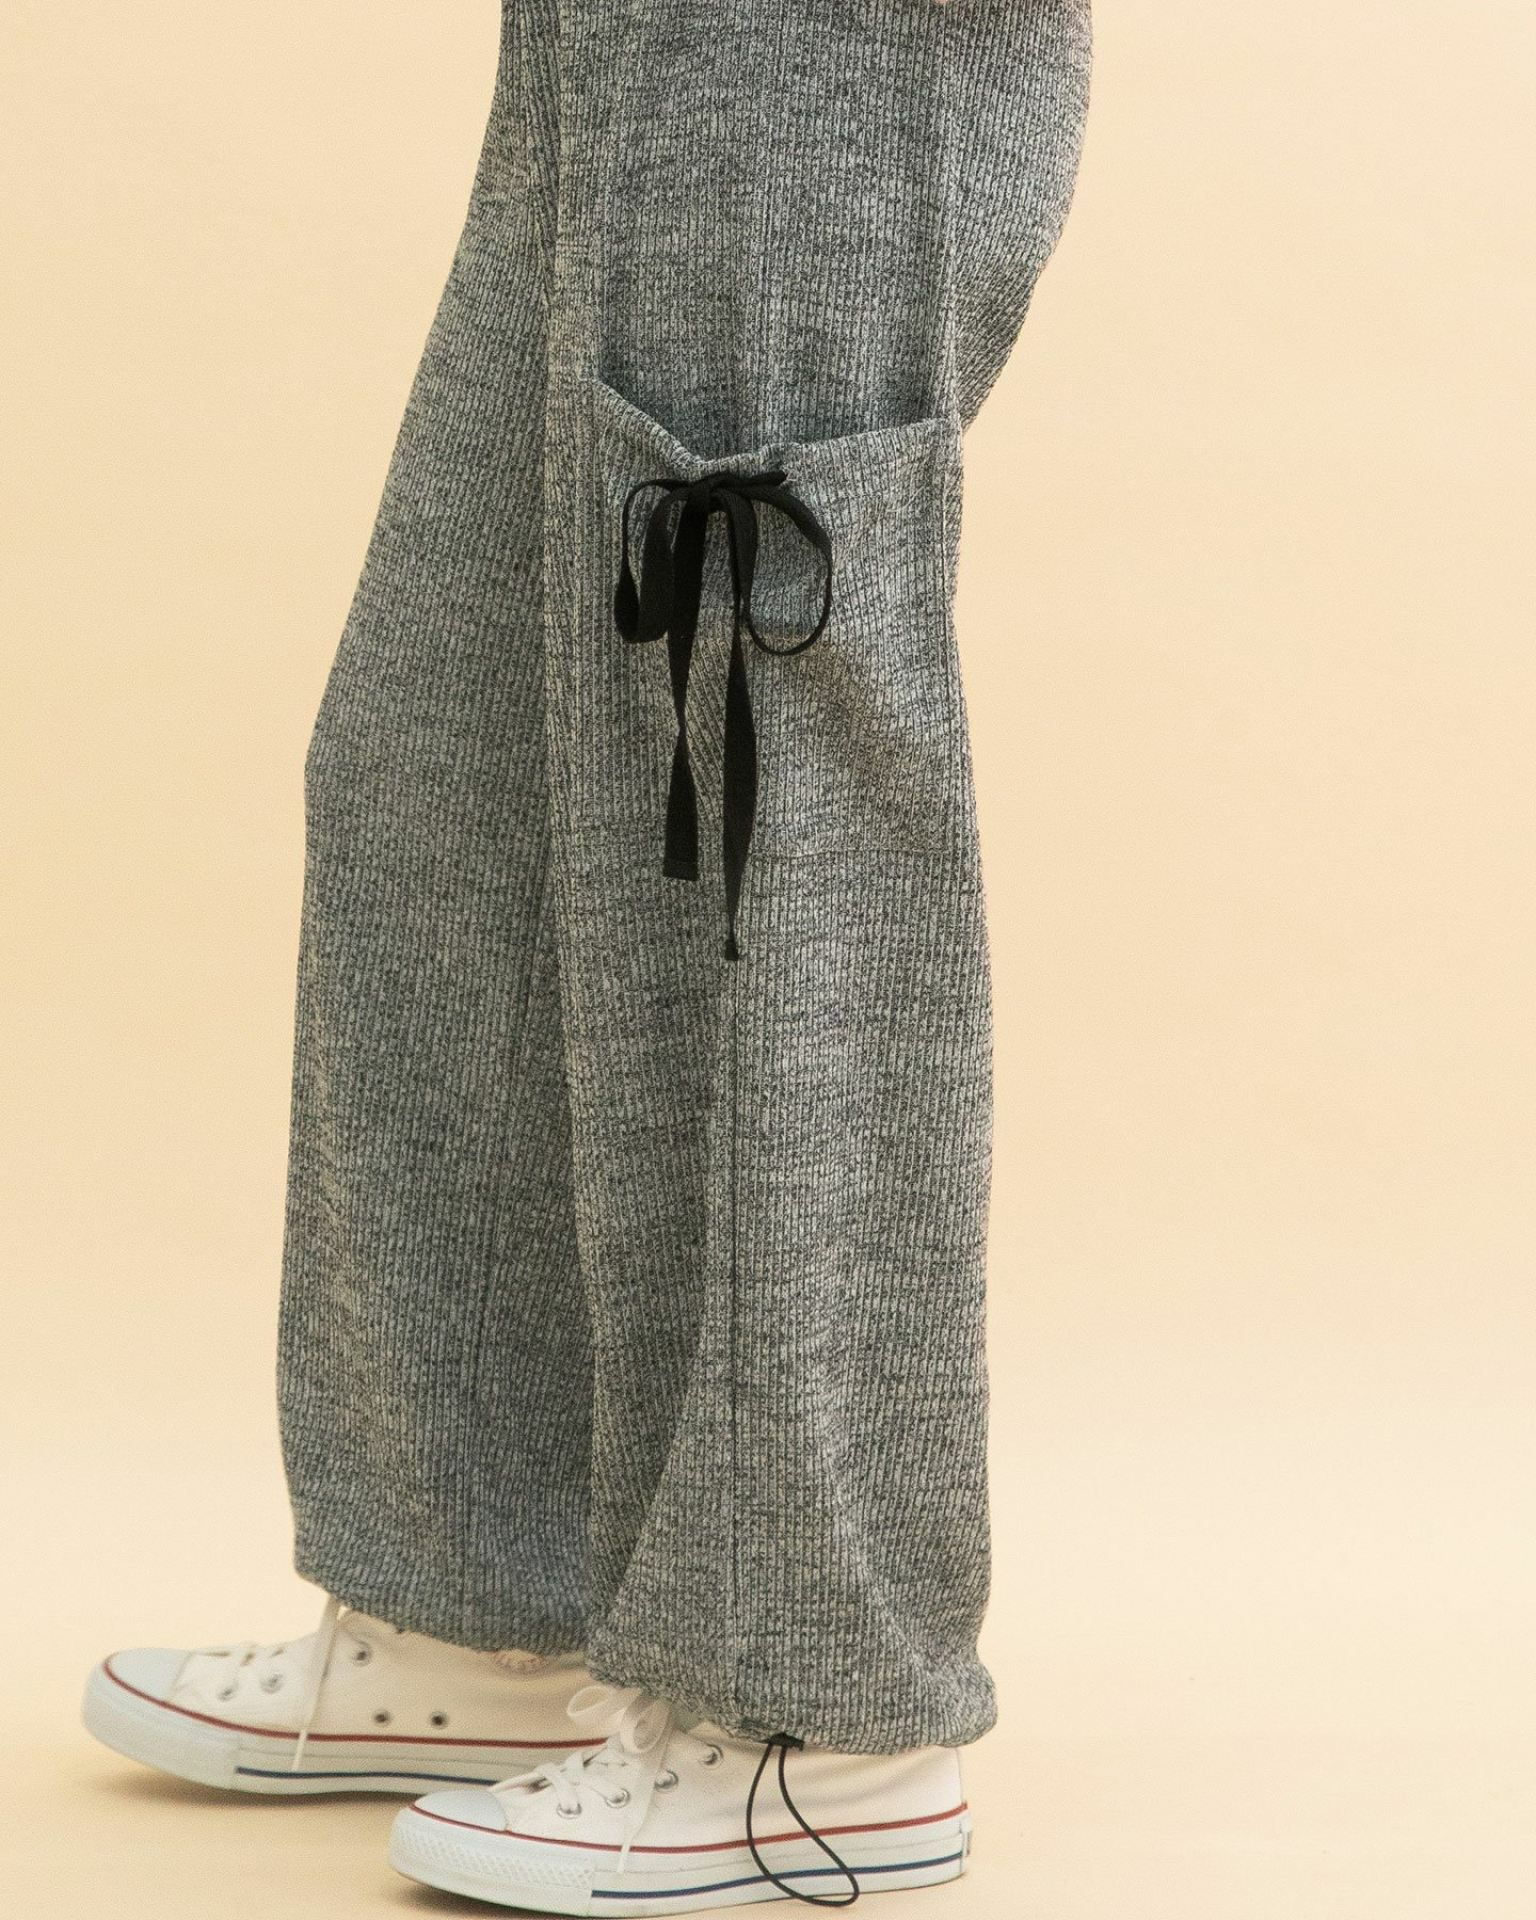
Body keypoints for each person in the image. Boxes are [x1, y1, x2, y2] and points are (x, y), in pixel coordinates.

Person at [81, 0, 1092, 1909]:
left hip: (823, 50)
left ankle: (819, 1719)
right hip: (601, 42)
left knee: (761, 802)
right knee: (433, 766)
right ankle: (481, 1612)